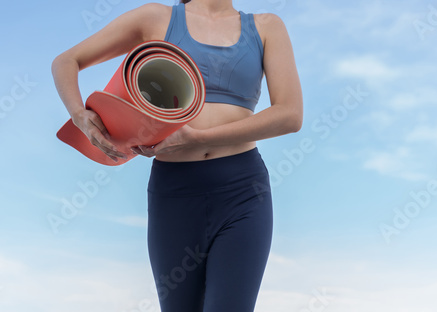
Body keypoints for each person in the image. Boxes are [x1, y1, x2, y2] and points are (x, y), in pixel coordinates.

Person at [50, 0, 303, 310]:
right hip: (174, 194)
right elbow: (66, 60)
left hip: (243, 190)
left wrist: (199, 139)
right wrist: (79, 115)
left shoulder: (266, 26)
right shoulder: (156, 18)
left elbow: (290, 115)